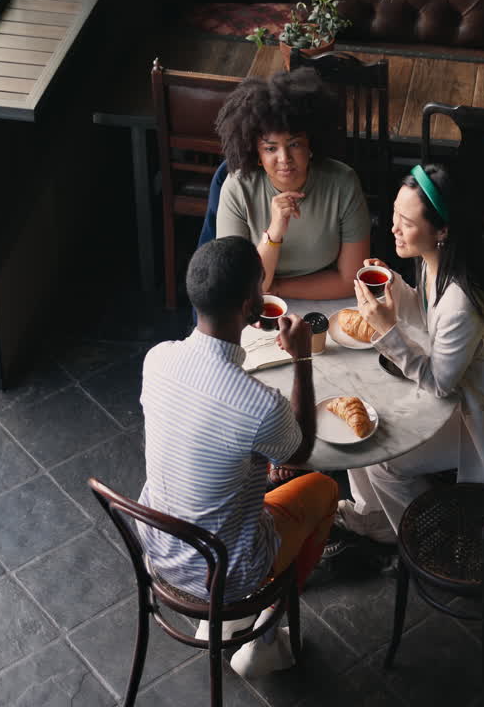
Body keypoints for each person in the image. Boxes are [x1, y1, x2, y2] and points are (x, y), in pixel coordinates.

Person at [136, 236, 337, 677]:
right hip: (226, 573)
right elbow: (300, 450)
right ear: (252, 306)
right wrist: (302, 357)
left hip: (158, 545)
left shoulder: (157, 359)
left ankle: (237, 622)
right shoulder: (259, 405)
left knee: (253, 474)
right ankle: (265, 635)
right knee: (324, 488)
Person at [332, 164, 484, 547]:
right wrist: (395, 287)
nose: (393, 229)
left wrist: (387, 330)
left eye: (406, 222)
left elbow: (441, 382)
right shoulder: (437, 263)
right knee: (363, 427)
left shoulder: (460, 302)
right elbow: (426, 315)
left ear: (442, 231)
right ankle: (375, 516)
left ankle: (429, 541)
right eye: (395, 216)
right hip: (473, 394)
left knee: (385, 458)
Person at [214, 67, 372, 299]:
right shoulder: (237, 188)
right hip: (254, 304)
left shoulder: (343, 183)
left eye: (295, 144)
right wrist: (274, 233)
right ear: (256, 153)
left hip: (326, 298)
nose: (284, 159)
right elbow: (238, 284)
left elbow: (351, 280)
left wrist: (275, 288)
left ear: (311, 144)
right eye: (270, 148)